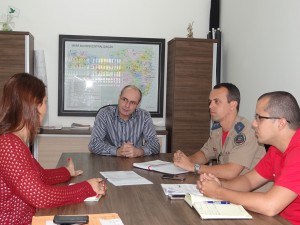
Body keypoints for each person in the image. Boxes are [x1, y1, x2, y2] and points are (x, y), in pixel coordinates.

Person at [0, 73, 106, 225]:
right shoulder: (8, 145)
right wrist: (86, 188)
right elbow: (39, 195)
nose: (45, 107)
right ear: (35, 105)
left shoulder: (14, 141)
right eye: (45, 102)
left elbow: (40, 176)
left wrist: (66, 172)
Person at [198, 91, 300, 225]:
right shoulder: (276, 149)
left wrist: (218, 192)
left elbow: (270, 205)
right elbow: (249, 181)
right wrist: (218, 184)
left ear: (281, 123)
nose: (254, 124)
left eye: (259, 118)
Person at [173, 83, 266, 180]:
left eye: (216, 101)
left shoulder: (247, 132)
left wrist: (193, 167)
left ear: (233, 105)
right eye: (210, 102)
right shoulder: (218, 128)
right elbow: (204, 154)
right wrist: (187, 160)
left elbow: (231, 172)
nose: (210, 106)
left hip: (250, 193)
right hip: (226, 186)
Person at [89, 85, 160, 158]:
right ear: (119, 98)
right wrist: (117, 151)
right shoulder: (105, 114)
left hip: (135, 162)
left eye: (132, 102)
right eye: (124, 99)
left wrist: (139, 152)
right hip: (109, 161)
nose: (127, 105)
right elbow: (94, 144)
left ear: (137, 105)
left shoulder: (144, 116)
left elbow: (155, 144)